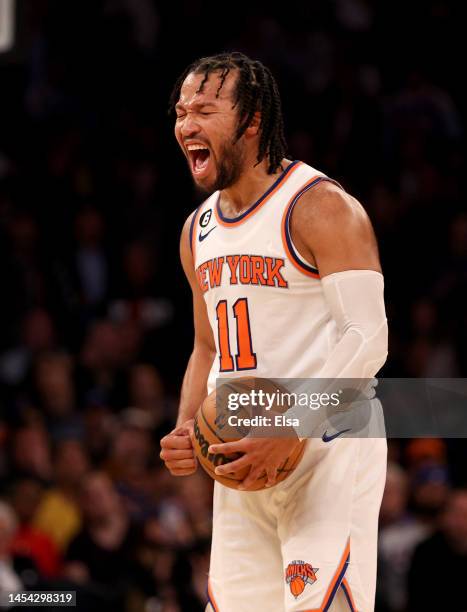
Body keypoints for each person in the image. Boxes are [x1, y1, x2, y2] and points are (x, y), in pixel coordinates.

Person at [160, 52, 388, 612]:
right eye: (181, 111)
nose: (186, 124)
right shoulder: (198, 230)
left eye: (205, 110)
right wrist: (187, 425)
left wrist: (294, 424)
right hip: (242, 454)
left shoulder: (319, 206)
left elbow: (369, 334)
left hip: (328, 443)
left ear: (252, 120)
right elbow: (206, 347)